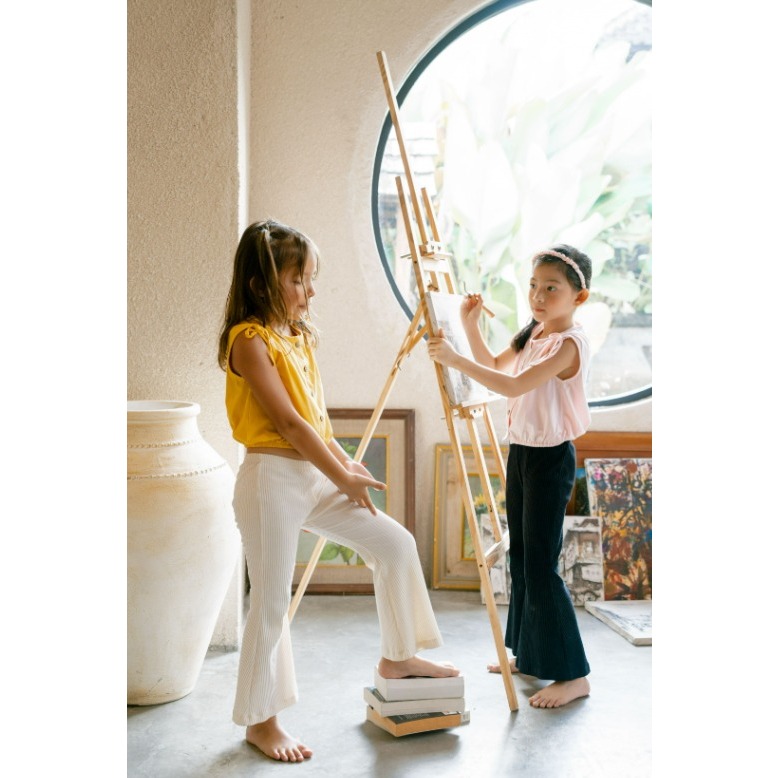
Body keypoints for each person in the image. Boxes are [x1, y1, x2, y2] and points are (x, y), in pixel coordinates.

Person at [217, 219, 459, 762]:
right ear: (260, 284)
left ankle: (399, 657)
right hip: (271, 480)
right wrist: (342, 475)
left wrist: (344, 464)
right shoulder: (249, 341)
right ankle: (261, 722)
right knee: (271, 602)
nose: (310, 290)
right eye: (297, 279)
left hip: (313, 474)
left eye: (311, 278)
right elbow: (287, 424)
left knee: (394, 544)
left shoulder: (297, 337)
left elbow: (315, 419)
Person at [427, 245, 593, 709]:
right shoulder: (536, 331)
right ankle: (528, 654)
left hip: (550, 458)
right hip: (522, 452)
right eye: (534, 286)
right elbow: (499, 366)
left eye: (551, 288)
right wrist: (468, 326)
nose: (538, 296)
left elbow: (514, 385)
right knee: (520, 558)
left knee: (540, 565)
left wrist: (454, 360)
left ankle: (574, 675)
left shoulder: (569, 344)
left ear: (579, 297)